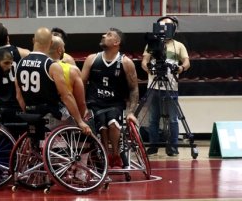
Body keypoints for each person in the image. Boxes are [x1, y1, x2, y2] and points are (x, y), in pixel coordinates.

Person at [15, 27, 92, 136]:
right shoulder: (51, 65)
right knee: (79, 126)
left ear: (33, 40)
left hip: (30, 113)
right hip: (51, 115)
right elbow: (66, 96)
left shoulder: (20, 63)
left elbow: (19, 96)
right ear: (50, 43)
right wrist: (79, 121)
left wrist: (29, 112)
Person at [81, 28, 139, 168]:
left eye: (108, 35)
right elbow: (80, 85)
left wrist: (131, 112)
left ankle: (116, 154)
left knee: (112, 123)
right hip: (94, 103)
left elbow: (134, 89)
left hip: (115, 103)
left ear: (116, 42)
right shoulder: (92, 59)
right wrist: (83, 107)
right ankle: (106, 156)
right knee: (102, 124)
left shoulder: (126, 62)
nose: (103, 35)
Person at [141, 16, 191, 156]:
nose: (164, 28)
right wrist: (147, 67)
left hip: (171, 85)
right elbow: (144, 61)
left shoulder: (179, 45)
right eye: (161, 25)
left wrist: (181, 68)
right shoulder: (151, 44)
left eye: (167, 26)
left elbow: (187, 62)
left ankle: (173, 146)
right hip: (153, 85)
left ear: (173, 28)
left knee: (173, 118)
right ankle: (153, 146)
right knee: (153, 118)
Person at [47, 35, 88, 121]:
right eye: (63, 47)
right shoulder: (72, 70)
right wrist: (80, 120)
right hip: (63, 116)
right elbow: (81, 103)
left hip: (40, 113)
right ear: (59, 50)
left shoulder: (38, 67)